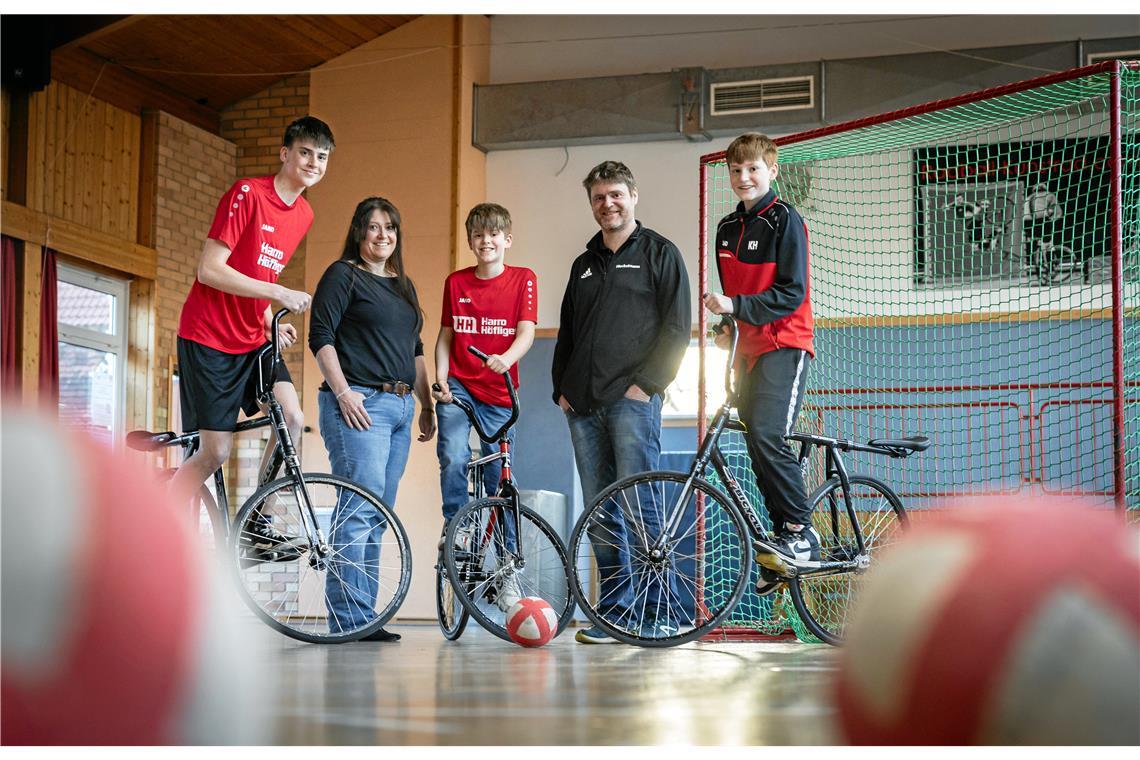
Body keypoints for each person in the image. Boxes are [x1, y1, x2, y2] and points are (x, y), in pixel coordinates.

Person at [170, 116, 334, 529]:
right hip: (208, 337)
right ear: (285, 154)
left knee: (293, 419)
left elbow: (262, 273)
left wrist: (266, 321)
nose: (314, 163)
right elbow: (209, 269)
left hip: (251, 336)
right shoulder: (248, 193)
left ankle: (258, 518)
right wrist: (277, 297)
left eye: (323, 157)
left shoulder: (306, 214)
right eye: (306, 153)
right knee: (215, 453)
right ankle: (155, 522)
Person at [552, 160, 691, 644]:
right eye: (598, 198)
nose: (607, 204)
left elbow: (677, 329)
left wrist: (647, 385)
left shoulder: (660, 254)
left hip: (633, 402)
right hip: (583, 407)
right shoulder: (583, 264)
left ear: (633, 195)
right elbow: (568, 332)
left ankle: (661, 613)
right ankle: (614, 614)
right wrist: (561, 391)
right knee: (599, 514)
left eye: (615, 194)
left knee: (641, 508)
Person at [309, 196, 435, 642]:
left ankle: (365, 616)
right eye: (373, 227)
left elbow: (416, 350)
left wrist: (425, 404)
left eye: (390, 228)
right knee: (358, 510)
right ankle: (349, 618)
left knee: (378, 515)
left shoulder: (403, 286)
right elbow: (320, 336)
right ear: (359, 232)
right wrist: (343, 393)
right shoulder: (343, 274)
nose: (382, 235)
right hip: (360, 404)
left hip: (400, 407)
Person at [702, 133, 817, 594]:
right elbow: (739, 300)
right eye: (735, 170)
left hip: (785, 345)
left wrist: (734, 307)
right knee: (754, 444)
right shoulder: (727, 229)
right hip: (746, 352)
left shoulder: (787, 221)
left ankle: (802, 533)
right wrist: (729, 326)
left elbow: (792, 293)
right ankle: (781, 545)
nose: (743, 177)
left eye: (752, 168)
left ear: (772, 169)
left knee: (769, 434)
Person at [433, 203, 537, 613]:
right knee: (454, 453)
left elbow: (527, 332)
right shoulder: (456, 282)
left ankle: (507, 571)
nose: (485, 241)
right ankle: (456, 527)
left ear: (507, 239)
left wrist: (506, 358)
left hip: (500, 391)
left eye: (493, 234)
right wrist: (441, 378)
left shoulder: (523, 279)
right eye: (477, 235)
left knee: (500, 481)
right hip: (460, 385)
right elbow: (445, 336)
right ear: (471, 241)